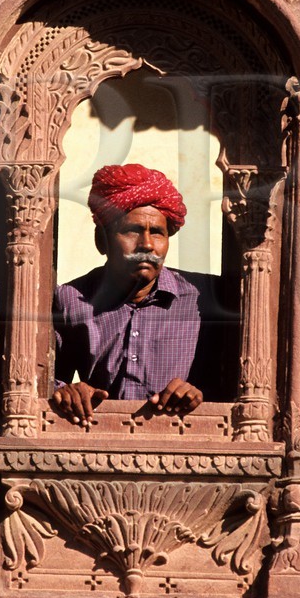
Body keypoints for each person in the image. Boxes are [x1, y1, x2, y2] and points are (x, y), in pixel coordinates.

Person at [51, 163, 219, 426]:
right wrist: (67, 391)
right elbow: (40, 379)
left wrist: (200, 394)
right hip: (97, 446)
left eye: (157, 233)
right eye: (132, 231)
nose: (147, 245)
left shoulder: (204, 300)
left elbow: (236, 383)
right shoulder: (71, 300)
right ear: (102, 241)